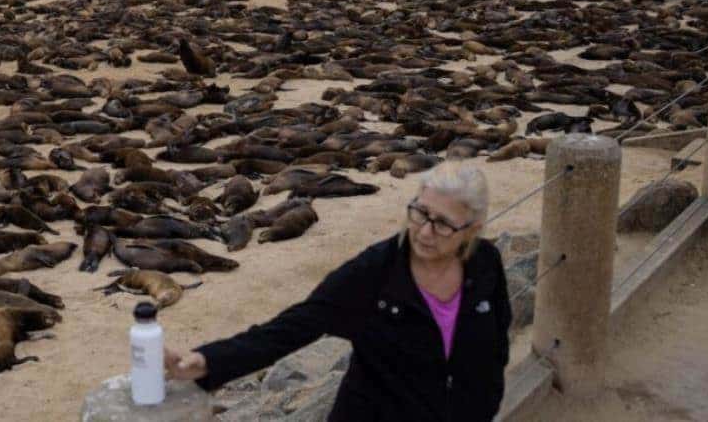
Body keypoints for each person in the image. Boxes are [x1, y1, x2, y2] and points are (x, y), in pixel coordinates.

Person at [166, 163, 512, 421]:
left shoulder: (485, 262)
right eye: (420, 212)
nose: (424, 231)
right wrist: (208, 362)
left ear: (472, 229)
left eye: (443, 223)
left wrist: (486, 399)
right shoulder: (374, 272)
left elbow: (498, 339)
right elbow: (291, 329)